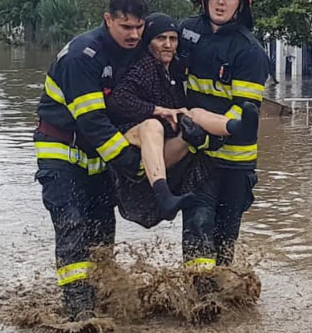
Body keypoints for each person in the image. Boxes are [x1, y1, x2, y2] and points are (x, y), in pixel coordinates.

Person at [34, 0, 149, 323]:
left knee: (102, 228)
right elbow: (92, 122)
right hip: (62, 151)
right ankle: (78, 312)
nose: (133, 34)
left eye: (139, 27)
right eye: (126, 26)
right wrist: (130, 163)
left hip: (98, 156)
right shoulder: (82, 56)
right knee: (72, 224)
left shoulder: (135, 52)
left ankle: (101, 297)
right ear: (107, 19)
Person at [106, 12, 259, 225]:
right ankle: (164, 196)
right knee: (153, 126)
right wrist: (156, 110)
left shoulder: (177, 71)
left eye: (173, 39)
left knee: (194, 114)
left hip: (164, 149)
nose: (168, 44)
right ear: (148, 42)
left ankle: (237, 127)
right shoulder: (144, 67)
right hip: (135, 148)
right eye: (161, 39)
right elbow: (118, 101)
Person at [177, 0, 269, 311]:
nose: (221, 2)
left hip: (235, 164)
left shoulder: (249, 51)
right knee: (197, 228)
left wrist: (207, 128)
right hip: (197, 158)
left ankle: (223, 295)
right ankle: (200, 305)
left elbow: (243, 114)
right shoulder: (185, 33)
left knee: (224, 239)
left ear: (240, 2)